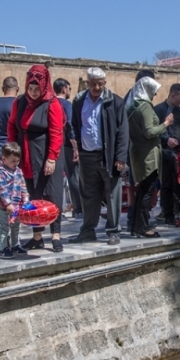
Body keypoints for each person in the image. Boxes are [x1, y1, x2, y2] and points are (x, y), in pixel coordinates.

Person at [8, 65, 65, 252]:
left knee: (51, 194)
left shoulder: (52, 103)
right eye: (30, 89)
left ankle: (55, 234)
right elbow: (12, 125)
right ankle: (37, 236)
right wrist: (12, 148)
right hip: (26, 154)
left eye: (36, 89)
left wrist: (51, 158)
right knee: (34, 195)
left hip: (46, 154)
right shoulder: (20, 102)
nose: (33, 93)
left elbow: (56, 132)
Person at [68, 67, 128, 246]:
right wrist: (78, 146)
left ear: (105, 84)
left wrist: (120, 156)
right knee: (88, 194)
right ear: (87, 83)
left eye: (100, 85)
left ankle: (113, 230)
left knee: (112, 194)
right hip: (87, 155)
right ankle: (87, 230)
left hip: (108, 156)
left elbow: (123, 131)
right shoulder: (79, 101)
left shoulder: (115, 102)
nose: (96, 88)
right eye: (93, 84)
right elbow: (76, 125)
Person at [127, 77, 172, 238]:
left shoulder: (133, 105)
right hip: (148, 155)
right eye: (153, 90)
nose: (156, 94)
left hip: (140, 153)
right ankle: (143, 227)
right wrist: (166, 124)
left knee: (142, 191)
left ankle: (135, 226)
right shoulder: (145, 107)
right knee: (147, 192)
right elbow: (150, 132)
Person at [154, 83, 180, 225]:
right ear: (172, 95)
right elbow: (155, 129)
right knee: (168, 184)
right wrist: (166, 139)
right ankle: (168, 213)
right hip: (166, 152)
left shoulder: (179, 111)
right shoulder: (159, 110)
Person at [0, 142, 29, 259]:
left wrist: (26, 199)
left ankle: (15, 244)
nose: (16, 163)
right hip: (3, 206)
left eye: (17, 161)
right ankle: (3, 248)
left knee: (16, 226)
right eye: (13, 161)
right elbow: (1, 190)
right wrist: (7, 203)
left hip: (17, 205)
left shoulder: (18, 171)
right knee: (5, 227)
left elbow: (23, 186)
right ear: (4, 159)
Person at [55, 78, 82, 219]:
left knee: (55, 179)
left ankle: (56, 210)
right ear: (64, 89)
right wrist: (76, 147)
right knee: (73, 177)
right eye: (69, 89)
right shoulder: (66, 104)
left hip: (52, 146)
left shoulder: (49, 104)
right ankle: (78, 209)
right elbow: (70, 125)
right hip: (66, 145)